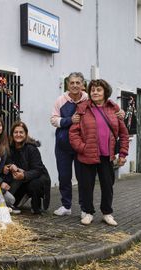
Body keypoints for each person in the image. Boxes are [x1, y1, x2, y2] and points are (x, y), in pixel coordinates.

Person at [69, 79, 129, 226]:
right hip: (87, 155)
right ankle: (88, 212)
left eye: (99, 90)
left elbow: (124, 134)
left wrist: (122, 154)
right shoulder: (82, 108)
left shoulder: (113, 109)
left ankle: (107, 213)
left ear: (105, 92)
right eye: (93, 90)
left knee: (107, 186)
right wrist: (82, 148)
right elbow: (73, 133)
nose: (95, 92)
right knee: (86, 186)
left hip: (107, 155)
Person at [50, 72, 88, 216]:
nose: (75, 85)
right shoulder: (60, 100)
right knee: (64, 177)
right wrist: (69, 120)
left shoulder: (88, 100)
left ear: (83, 85)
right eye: (72, 83)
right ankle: (66, 206)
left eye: (78, 82)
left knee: (83, 178)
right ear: (68, 84)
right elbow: (53, 120)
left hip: (81, 147)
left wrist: (119, 112)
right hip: (63, 146)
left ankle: (85, 208)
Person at [5, 121, 51, 214]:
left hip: (37, 178)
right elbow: (8, 161)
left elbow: (38, 170)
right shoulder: (9, 147)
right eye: (16, 132)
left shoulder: (32, 148)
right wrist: (10, 166)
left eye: (21, 132)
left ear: (25, 134)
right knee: (14, 203)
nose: (18, 134)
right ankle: (25, 195)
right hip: (20, 180)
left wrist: (24, 175)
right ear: (12, 134)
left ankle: (36, 205)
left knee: (34, 184)